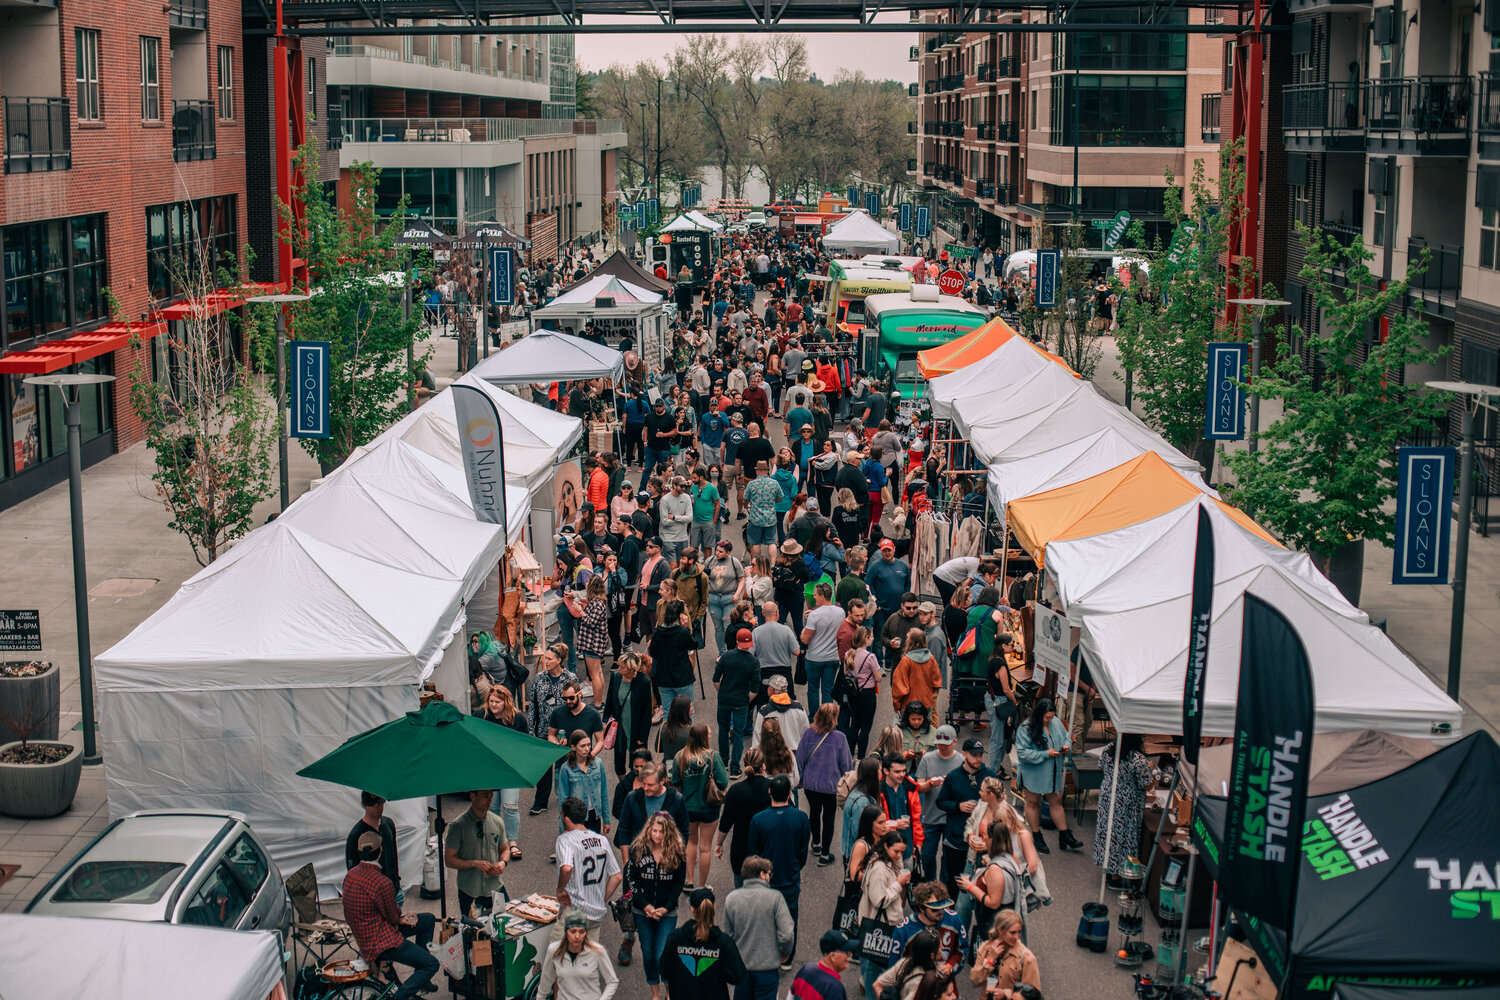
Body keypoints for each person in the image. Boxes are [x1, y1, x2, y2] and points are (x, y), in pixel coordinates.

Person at [343, 831, 440, 1000]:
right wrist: (401, 918)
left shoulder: (350, 876)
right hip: (382, 941)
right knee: (431, 964)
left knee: (428, 919)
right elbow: (394, 917)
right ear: (380, 851)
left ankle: (420, 979)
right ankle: (400, 996)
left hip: (365, 935)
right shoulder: (381, 882)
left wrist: (399, 918)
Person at [747, 774, 811, 969]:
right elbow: (803, 849)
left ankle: (767, 953)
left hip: (765, 879)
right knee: (790, 918)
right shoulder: (800, 818)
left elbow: (753, 853)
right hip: (790, 876)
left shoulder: (758, 819)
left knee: (765, 918)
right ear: (790, 792)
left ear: (770, 792)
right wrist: (795, 866)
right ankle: (788, 956)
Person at [626, 811, 689, 1000]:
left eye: (661, 832)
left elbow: (678, 884)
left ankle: (669, 989)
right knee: (648, 952)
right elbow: (632, 880)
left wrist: (667, 907)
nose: (657, 835)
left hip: (667, 912)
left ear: (668, 833)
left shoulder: (677, 852)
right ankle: (655, 993)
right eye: (654, 831)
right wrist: (645, 906)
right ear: (649, 830)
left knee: (663, 952)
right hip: (642, 911)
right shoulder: (638, 848)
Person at [721, 856, 795, 1000]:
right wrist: (784, 953)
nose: (769, 877)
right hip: (767, 969)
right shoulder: (775, 898)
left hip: (742, 968)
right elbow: (787, 934)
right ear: (762, 874)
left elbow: (728, 937)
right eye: (769, 874)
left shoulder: (732, 899)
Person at [1014, 699, 1083, 853]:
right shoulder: (1025, 728)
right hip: (1034, 773)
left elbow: (1067, 737)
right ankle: (1037, 835)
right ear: (1039, 714)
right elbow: (1022, 753)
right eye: (1047, 717)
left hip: (1053, 771)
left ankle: (1064, 834)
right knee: (1032, 803)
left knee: (1056, 801)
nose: (1050, 720)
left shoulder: (1056, 722)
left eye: (1052, 717)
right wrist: (1046, 754)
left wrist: (1067, 746)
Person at [661, 887, 748, 1000]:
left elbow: (664, 970)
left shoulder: (676, 938)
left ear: (692, 908)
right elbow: (738, 976)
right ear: (713, 907)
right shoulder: (723, 942)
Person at [795, 702, 853, 867]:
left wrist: (799, 780)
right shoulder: (840, 738)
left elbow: (800, 758)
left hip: (811, 784)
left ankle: (816, 843)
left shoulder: (808, 734)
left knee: (814, 811)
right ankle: (825, 854)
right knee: (829, 817)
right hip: (830, 786)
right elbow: (846, 765)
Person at [935, 738, 998, 893]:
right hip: (956, 840)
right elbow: (941, 802)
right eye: (974, 755)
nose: (978, 759)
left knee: (982, 884)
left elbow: (1000, 804)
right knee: (954, 883)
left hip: (982, 842)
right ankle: (953, 913)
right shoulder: (953, 777)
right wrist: (958, 806)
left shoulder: (990, 776)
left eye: (980, 755)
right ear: (964, 754)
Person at [673, 722, 731, 890]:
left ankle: (689, 881)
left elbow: (675, 781)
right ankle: (701, 885)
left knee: (690, 843)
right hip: (709, 808)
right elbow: (723, 781)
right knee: (705, 848)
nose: (711, 735)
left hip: (687, 807)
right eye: (709, 734)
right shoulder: (713, 756)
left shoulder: (680, 757)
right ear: (703, 738)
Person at [555, 797, 623, 939]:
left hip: (575, 910)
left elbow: (567, 868)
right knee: (588, 958)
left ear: (566, 819)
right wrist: (600, 899)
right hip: (596, 913)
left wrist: (560, 890)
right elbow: (617, 876)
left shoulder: (565, 840)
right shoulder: (602, 840)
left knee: (557, 953)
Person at [857, 831, 911, 990]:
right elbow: (879, 900)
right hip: (878, 926)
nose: (899, 855)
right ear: (885, 846)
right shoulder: (879, 870)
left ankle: (865, 982)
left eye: (902, 852)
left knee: (872, 965)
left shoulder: (886, 860)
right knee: (876, 970)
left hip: (878, 924)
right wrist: (898, 884)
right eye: (896, 851)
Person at [1094, 734, 1154, 875]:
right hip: (1127, 802)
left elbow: (1101, 765)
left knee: (1108, 832)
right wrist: (1150, 769)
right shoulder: (1138, 759)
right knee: (1124, 836)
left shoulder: (1109, 749)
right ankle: (1120, 872)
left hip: (1108, 796)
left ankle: (1108, 866)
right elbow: (1146, 785)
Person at [912, 727, 964, 888]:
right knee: (927, 855)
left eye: (946, 744)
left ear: (955, 742)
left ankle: (943, 888)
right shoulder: (928, 758)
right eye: (939, 743)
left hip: (952, 817)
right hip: (931, 816)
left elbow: (965, 790)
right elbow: (919, 787)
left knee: (948, 858)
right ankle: (930, 885)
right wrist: (929, 784)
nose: (942, 747)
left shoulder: (962, 761)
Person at [444, 789, 510, 916]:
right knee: (473, 932)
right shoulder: (458, 826)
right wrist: (474, 863)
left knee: (506, 925)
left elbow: (505, 849)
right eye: (485, 796)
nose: (489, 800)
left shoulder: (497, 822)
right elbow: (449, 860)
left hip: (495, 887)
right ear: (472, 796)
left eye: (491, 796)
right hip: (470, 891)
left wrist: (503, 863)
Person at [538, 909, 621, 1000]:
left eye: (581, 932)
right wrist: (540, 997)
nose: (577, 936)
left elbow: (612, 981)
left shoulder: (597, 951)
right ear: (566, 932)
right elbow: (546, 979)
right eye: (573, 931)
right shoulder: (554, 950)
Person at [889, 882, 968, 977]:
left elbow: (962, 949)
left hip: (945, 984)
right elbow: (894, 967)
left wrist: (950, 966)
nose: (941, 912)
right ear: (921, 908)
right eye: (935, 909)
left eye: (943, 907)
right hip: (914, 986)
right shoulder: (903, 930)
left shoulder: (954, 920)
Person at [616, 761, 691, 857]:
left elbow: (684, 831)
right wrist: (626, 862)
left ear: (662, 781)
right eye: (644, 784)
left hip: (667, 860)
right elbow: (623, 830)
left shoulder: (676, 800)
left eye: (650, 785)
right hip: (638, 860)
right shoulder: (632, 798)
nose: (646, 788)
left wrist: (677, 856)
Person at [713, 626, 762, 774]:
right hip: (741, 701)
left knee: (723, 730)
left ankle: (723, 762)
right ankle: (735, 768)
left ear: (737, 641)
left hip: (725, 699)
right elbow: (755, 688)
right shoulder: (753, 662)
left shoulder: (726, 657)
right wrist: (746, 700)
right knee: (739, 734)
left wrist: (722, 692)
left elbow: (716, 679)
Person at [969, 910, 1039, 1000]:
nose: (1017, 937)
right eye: (1012, 932)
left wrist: (1006, 993)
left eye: (1019, 932)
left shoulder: (1026, 958)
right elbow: (975, 981)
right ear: (1000, 930)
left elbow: (1033, 994)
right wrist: (990, 960)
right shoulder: (985, 948)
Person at [799, 582, 847, 709]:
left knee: (813, 689)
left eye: (815, 595)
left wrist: (803, 632)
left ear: (822, 596)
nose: (813, 597)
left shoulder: (814, 616)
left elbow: (805, 639)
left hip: (814, 658)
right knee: (827, 690)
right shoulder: (840, 612)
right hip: (832, 657)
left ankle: (814, 717)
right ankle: (827, 718)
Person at [605, 652, 654, 778]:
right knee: (619, 761)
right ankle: (625, 785)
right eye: (619, 665)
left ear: (632, 670)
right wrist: (606, 721)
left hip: (636, 728)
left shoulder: (643, 682)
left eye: (622, 667)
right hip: (619, 726)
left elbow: (646, 712)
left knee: (638, 762)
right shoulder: (615, 677)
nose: (619, 668)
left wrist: (642, 737)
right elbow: (610, 699)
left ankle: (637, 786)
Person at [345, 792, 400, 900]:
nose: (377, 808)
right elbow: (352, 868)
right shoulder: (356, 835)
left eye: (380, 804)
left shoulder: (388, 823)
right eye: (373, 805)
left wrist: (396, 881)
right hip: (371, 895)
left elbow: (394, 855)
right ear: (364, 805)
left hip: (393, 890)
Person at [556, 730, 611, 834]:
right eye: (582, 746)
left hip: (594, 816)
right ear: (573, 747)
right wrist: (563, 827)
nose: (587, 749)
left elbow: (604, 793)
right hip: (575, 818)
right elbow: (563, 800)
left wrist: (607, 820)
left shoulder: (598, 764)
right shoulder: (566, 769)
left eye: (589, 745)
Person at [840, 627, 881, 758]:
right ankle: (861, 757)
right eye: (871, 636)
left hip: (853, 694)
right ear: (866, 639)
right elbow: (878, 677)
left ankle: (850, 754)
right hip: (867, 694)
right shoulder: (870, 657)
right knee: (865, 727)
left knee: (855, 723)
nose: (873, 638)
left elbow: (845, 672)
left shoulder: (848, 654)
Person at [650, 600, 699, 708]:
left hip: (664, 678)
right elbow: (693, 644)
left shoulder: (658, 632)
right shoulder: (682, 632)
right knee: (687, 710)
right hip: (682, 677)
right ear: (680, 615)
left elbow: (653, 652)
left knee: (668, 711)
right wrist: (685, 628)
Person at [868, 551, 913, 669]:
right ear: (881, 551)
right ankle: (878, 662)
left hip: (897, 609)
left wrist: (905, 599)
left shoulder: (902, 565)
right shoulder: (875, 567)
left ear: (894, 549)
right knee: (878, 637)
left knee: (894, 635)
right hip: (881, 609)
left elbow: (908, 583)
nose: (887, 553)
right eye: (884, 551)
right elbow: (869, 585)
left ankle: (889, 661)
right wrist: (875, 602)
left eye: (889, 550)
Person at [879, 752, 925, 865]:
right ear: (886, 771)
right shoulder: (879, 791)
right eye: (897, 772)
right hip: (887, 848)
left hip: (907, 847)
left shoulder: (909, 788)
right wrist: (895, 824)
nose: (902, 774)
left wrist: (918, 843)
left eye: (904, 771)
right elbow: (876, 823)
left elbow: (916, 818)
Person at [573, 575, 611, 708]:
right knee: (598, 673)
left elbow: (591, 622)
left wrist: (580, 612)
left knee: (595, 674)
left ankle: (597, 703)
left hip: (592, 643)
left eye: (588, 581)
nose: (586, 582)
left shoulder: (596, 603)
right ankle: (600, 700)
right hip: (596, 643)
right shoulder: (599, 602)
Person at [791, 930, 859, 1000]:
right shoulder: (835, 989)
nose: (851, 954)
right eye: (847, 952)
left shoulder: (805, 970)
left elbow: (790, 997)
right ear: (832, 956)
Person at [874, 931, 941, 1000]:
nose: (942, 949)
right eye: (940, 947)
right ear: (932, 955)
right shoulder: (919, 983)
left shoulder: (904, 962)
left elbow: (877, 985)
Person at [751, 602, 799, 697]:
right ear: (777, 613)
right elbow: (796, 651)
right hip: (784, 672)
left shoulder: (756, 632)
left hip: (764, 672)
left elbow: (750, 654)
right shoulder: (786, 630)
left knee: (763, 704)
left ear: (763, 613)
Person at [705, 538, 746, 649]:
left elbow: (741, 579)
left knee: (728, 626)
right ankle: (722, 653)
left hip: (730, 598)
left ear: (728, 553)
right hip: (713, 598)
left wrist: (737, 594)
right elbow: (704, 578)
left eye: (721, 551)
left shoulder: (734, 562)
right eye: (717, 550)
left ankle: (730, 651)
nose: (717, 553)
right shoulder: (710, 561)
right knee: (718, 628)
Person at [892, 629, 941, 715]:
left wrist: (897, 705)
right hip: (926, 703)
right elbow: (936, 681)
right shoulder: (931, 658)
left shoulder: (906, 661)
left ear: (910, 642)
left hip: (909, 706)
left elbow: (899, 686)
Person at [743, 460, 784, 559]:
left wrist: (746, 505)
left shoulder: (752, 484)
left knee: (755, 543)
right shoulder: (774, 483)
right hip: (770, 518)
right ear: (767, 470)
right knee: (771, 542)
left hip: (755, 518)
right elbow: (780, 498)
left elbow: (745, 499)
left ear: (757, 471)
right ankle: (773, 565)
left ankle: (756, 564)